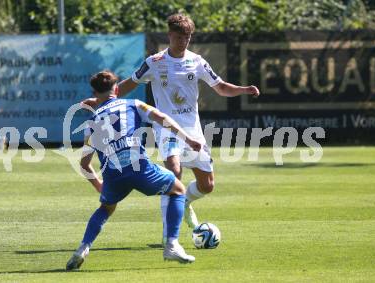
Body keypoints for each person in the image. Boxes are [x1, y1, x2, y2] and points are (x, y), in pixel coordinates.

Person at [82, 13, 260, 244]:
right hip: (166, 129)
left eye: (187, 37)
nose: (183, 41)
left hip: (193, 129)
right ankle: (169, 237)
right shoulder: (154, 62)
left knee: (207, 185)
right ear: (169, 36)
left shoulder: (197, 61)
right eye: (179, 37)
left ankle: (184, 203)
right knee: (174, 172)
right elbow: (126, 85)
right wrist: (99, 101)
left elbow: (222, 87)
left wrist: (245, 89)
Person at [66, 70, 202, 270]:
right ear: (117, 89)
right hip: (140, 168)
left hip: (112, 175)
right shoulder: (133, 104)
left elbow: (84, 164)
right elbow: (161, 117)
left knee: (106, 208)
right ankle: (172, 244)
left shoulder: (92, 123)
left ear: (95, 93)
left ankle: (82, 248)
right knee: (178, 190)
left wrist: (98, 186)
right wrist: (188, 139)